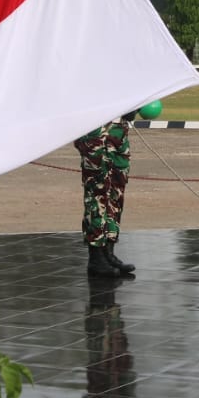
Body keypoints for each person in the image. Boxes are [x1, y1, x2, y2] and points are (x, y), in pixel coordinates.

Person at [74, 112, 138, 278]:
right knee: (97, 192)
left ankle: (108, 251)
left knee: (116, 192)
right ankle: (96, 255)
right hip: (94, 130)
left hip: (118, 130)